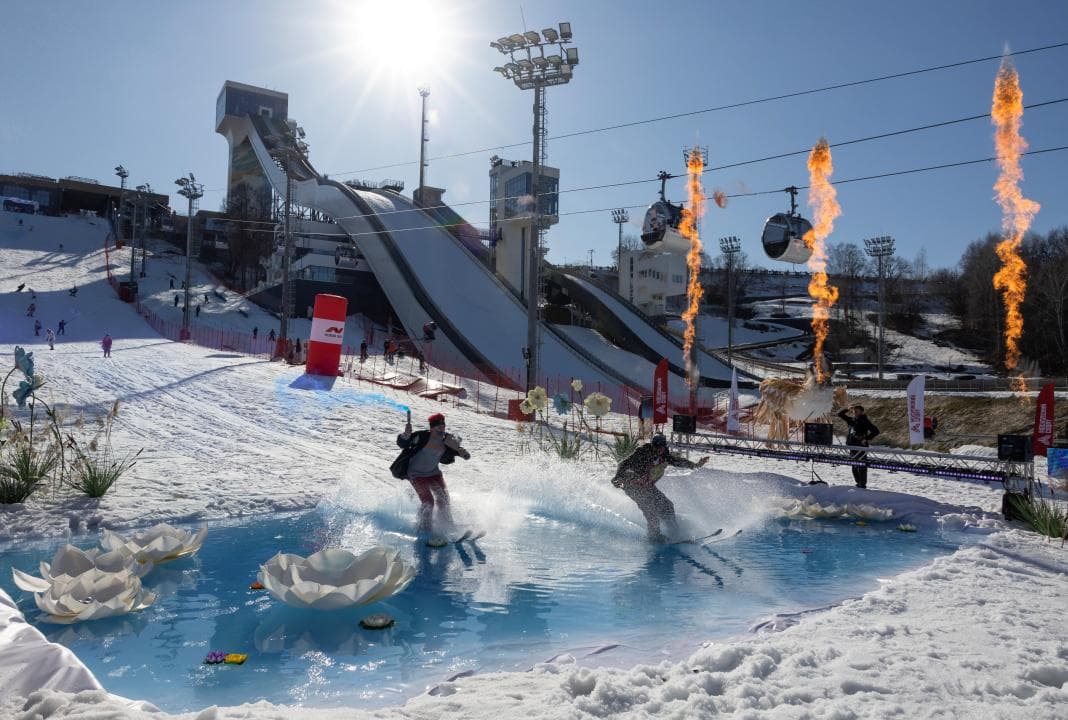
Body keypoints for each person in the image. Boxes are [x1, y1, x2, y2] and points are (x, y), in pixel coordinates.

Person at [611, 434, 709, 543]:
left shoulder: (665, 454)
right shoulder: (642, 453)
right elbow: (624, 464)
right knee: (650, 511)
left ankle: (675, 534)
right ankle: (654, 536)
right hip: (633, 487)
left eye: (660, 448)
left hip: (647, 486)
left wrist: (695, 465)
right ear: (652, 446)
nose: (658, 450)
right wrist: (617, 477)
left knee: (668, 506)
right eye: (656, 447)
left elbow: (677, 461)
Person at [390, 413, 471, 534]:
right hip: (416, 474)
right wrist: (406, 435)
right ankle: (424, 528)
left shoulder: (447, 439)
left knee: (444, 499)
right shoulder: (421, 436)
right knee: (428, 502)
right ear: (432, 428)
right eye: (438, 427)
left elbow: (456, 450)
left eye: (443, 426)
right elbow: (403, 444)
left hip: (434, 473)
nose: (441, 429)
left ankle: (446, 524)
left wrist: (462, 453)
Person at [838, 404, 880, 488]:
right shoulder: (852, 420)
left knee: (861, 465)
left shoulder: (865, 420)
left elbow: (876, 431)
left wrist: (866, 438)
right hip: (852, 446)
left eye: (857, 411)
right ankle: (858, 483)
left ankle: (862, 484)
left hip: (861, 447)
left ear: (862, 412)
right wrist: (847, 409)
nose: (855, 412)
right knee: (854, 465)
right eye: (854, 411)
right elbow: (840, 415)